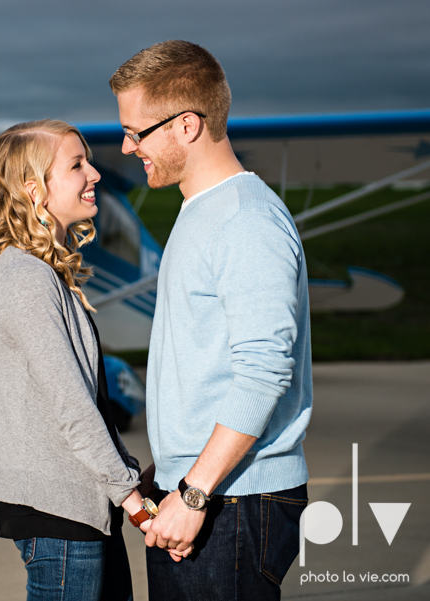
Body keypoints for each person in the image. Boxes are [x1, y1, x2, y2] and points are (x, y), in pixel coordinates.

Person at [109, 40, 312, 600]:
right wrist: (170, 466)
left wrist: (194, 492)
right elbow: (207, 362)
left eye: (137, 132)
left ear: (188, 125)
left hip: (233, 500)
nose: (126, 147)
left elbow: (263, 370)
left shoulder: (246, 220)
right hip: (206, 489)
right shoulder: (202, 211)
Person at [0, 119, 152, 601]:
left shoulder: (42, 271)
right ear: (34, 189)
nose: (96, 175)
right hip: (61, 511)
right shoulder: (26, 276)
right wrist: (134, 501)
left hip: (82, 504)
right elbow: (70, 405)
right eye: (76, 165)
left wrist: (125, 475)